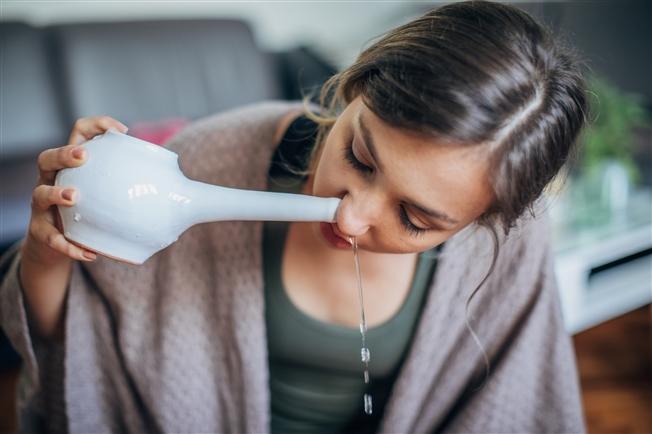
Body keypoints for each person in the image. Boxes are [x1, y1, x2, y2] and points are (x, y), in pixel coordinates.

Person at [0, 1, 588, 432]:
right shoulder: (212, 158)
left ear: (481, 223)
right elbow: (77, 356)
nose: (351, 220)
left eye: (415, 220)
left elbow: (516, 408)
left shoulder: (508, 243)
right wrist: (48, 252)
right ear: (354, 87)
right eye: (359, 158)